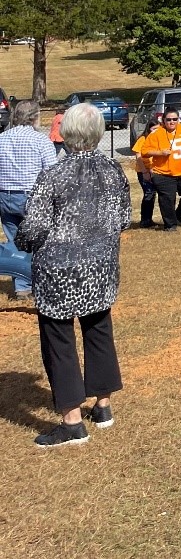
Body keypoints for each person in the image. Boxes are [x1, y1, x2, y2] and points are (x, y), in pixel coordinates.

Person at [15, 103, 130, 447]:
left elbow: (32, 227)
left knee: (59, 341)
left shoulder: (53, 175)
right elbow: (123, 218)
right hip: (100, 266)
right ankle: (103, 405)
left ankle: (72, 422)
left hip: (58, 271)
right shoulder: (114, 169)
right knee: (99, 331)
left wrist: (22, 241)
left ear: (65, 135)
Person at [0, 100, 59, 297]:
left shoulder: (2, 138)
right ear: (34, 117)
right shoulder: (40, 140)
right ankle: (37, 282)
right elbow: (51, 172)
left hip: (4, 196)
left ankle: (23, 286)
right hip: (30, 197)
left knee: (15, 241)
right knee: (38, 241)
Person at [133, 105, 181, 230]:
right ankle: (170, 225)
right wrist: (160, 153)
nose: (172, 122)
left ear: (178, 119)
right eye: (168, 119)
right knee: (167, 200)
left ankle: (179, 215)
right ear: (163, 120)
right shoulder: (156, 134)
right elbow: (144, 152)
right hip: (163, 173)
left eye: (174, 119)